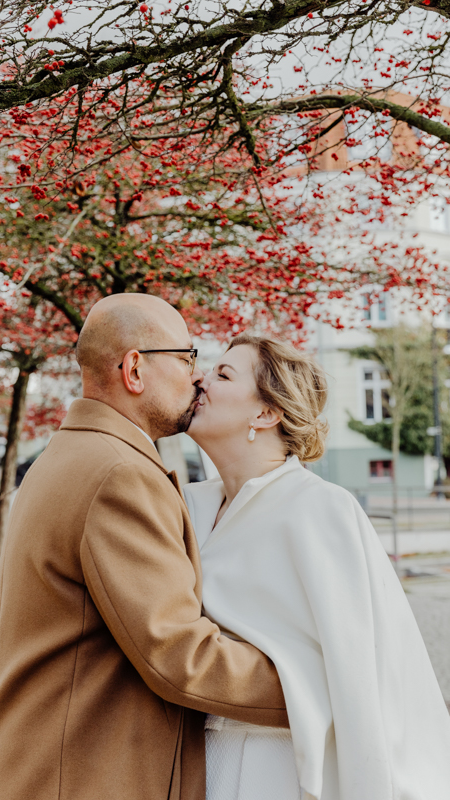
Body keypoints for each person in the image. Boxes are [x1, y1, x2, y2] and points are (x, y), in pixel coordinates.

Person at [0, 295, 288, 800]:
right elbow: (178, 654)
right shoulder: (119, 475)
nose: (197, 378)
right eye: (186, 359)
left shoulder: (74, 454)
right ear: (135, 369)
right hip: (86, 780)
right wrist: (318, 687)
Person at [184, 333, 450, 800]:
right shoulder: (188, 505)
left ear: (265, 413)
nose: (200, 380)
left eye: (223, 374)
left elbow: (361, 669)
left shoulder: (320, 509)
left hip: (278, 765)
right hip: (195, 758)